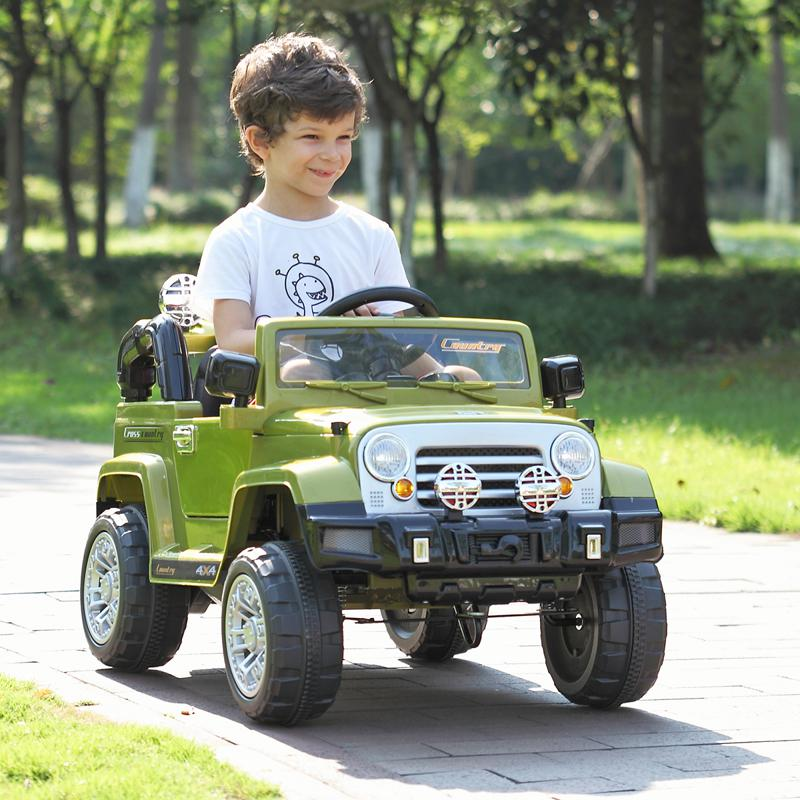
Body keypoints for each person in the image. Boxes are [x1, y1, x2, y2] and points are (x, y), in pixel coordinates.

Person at [192, 32, 478, 382]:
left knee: (465, 378)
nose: (332, 154)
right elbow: (233, 341)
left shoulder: (372, 234)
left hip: (372, 387)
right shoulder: (237, 238)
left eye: (344, 138)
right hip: (273, 404)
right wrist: (320, 332)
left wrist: (446, 375)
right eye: (312, 137)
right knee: (304, 372)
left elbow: (398, 345)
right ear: (261, 140)